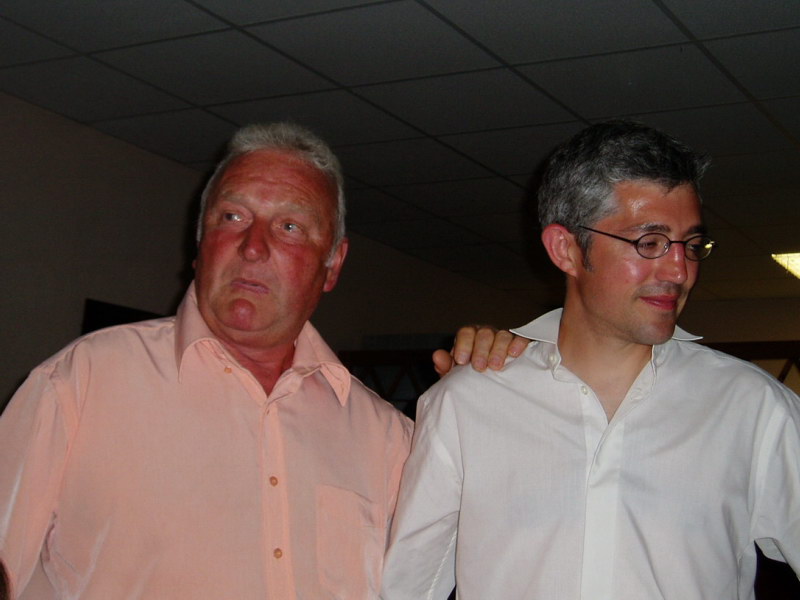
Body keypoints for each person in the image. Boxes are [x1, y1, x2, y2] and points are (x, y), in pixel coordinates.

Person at [0, 122, 525, 599]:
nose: (252, 246)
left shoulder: (388, 438)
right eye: (232, 216)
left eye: (290, 226)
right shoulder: (81, 381)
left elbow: (494, 566)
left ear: (332, 265)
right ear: (200, 243)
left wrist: (486, 416)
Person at [380, 120, 800, 600]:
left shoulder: (751, 407)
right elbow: (409, 589)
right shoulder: (468, 403)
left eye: (690, 245)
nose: (680, 270)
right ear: (565, 249)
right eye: (650, 243)